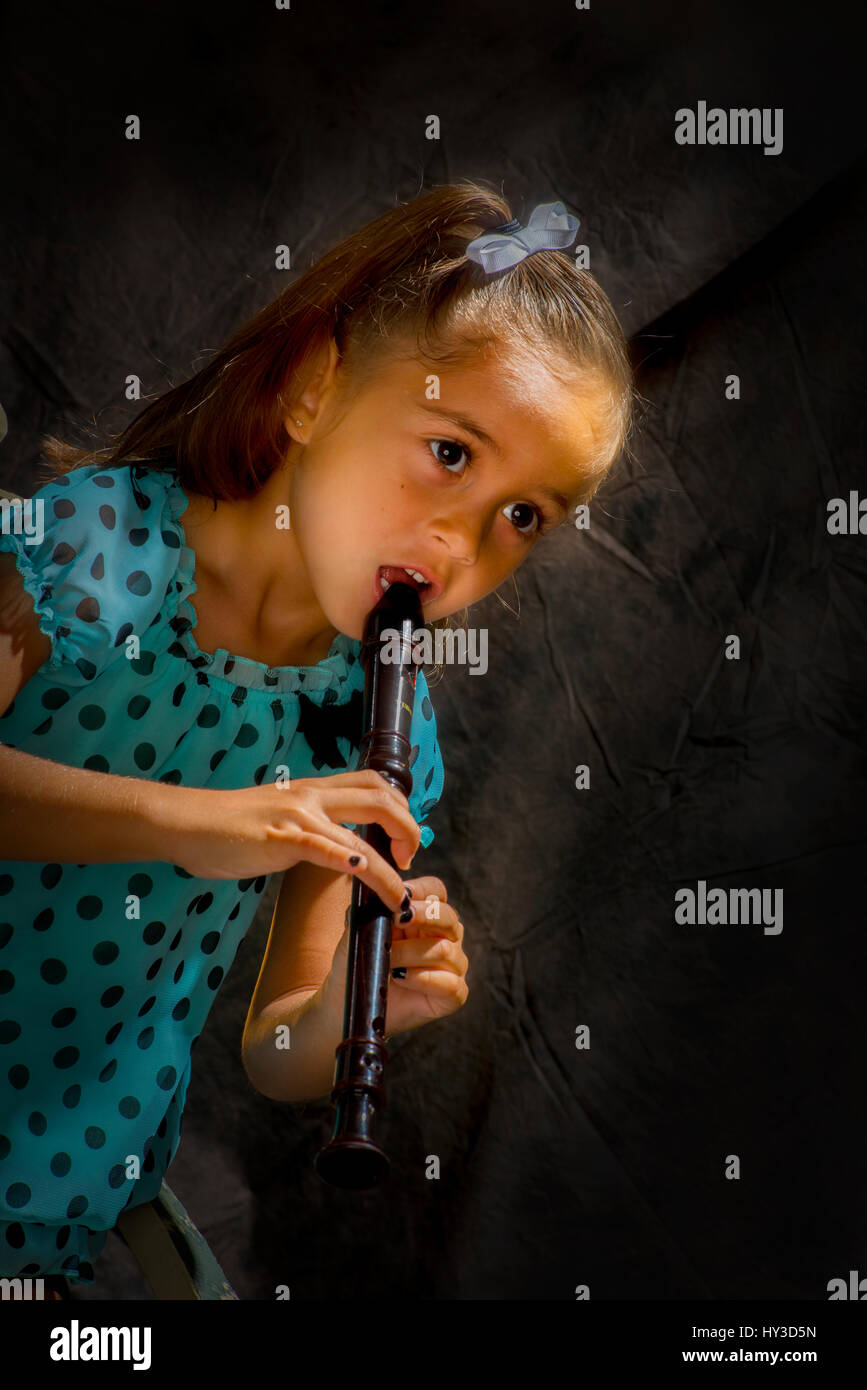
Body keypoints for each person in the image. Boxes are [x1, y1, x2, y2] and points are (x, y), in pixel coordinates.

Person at [0, 179, 635, 1292]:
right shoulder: (93, 549)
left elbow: (273, 1047)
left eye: (524, 516)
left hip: (66, 1198)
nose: (465, 540)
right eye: (450, 452)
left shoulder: (368, 729)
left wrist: (355, 1008)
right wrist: (203, 825)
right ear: (311, 388)